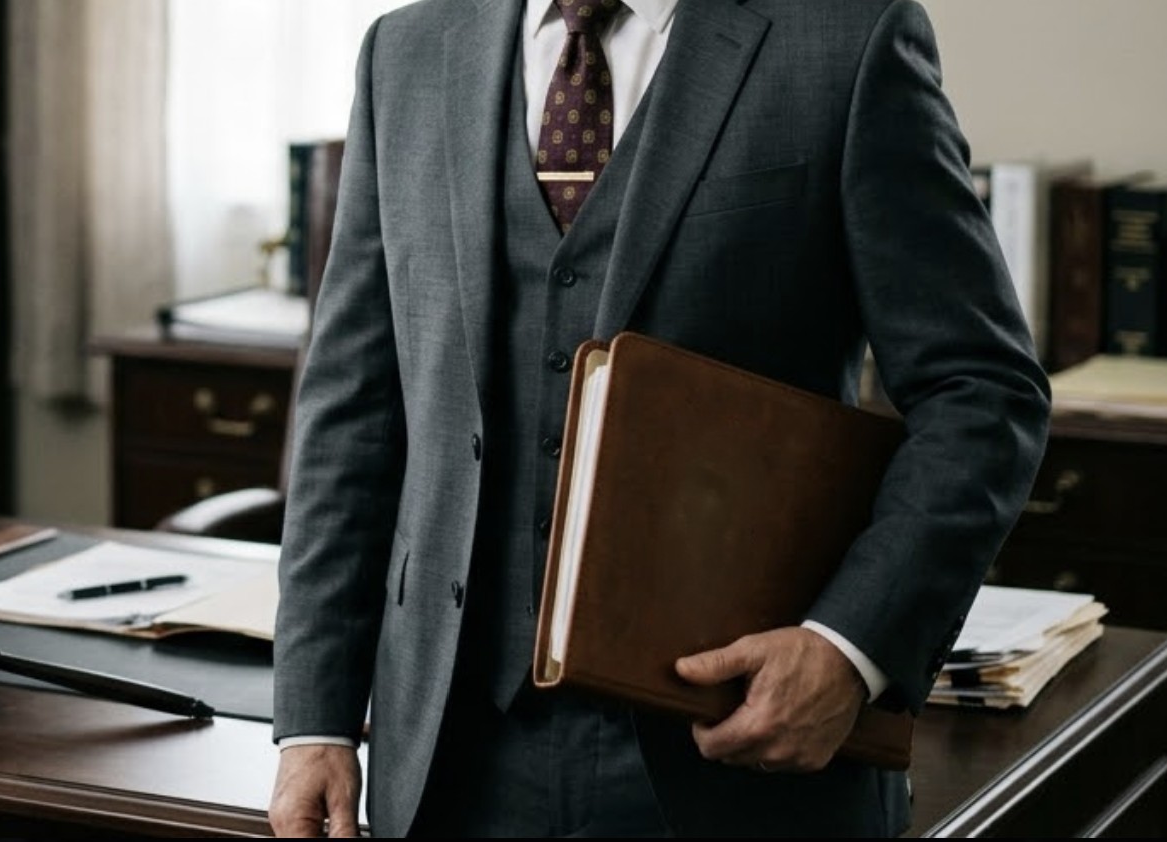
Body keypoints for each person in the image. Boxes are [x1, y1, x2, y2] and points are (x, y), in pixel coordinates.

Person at [267, 0, 1050, 837]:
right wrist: (314, 722)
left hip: (740, 756)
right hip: (450, 766)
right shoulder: (407, 51)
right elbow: (352, 411)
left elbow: (983, 389)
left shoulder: (849, 41)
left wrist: (846, 648)